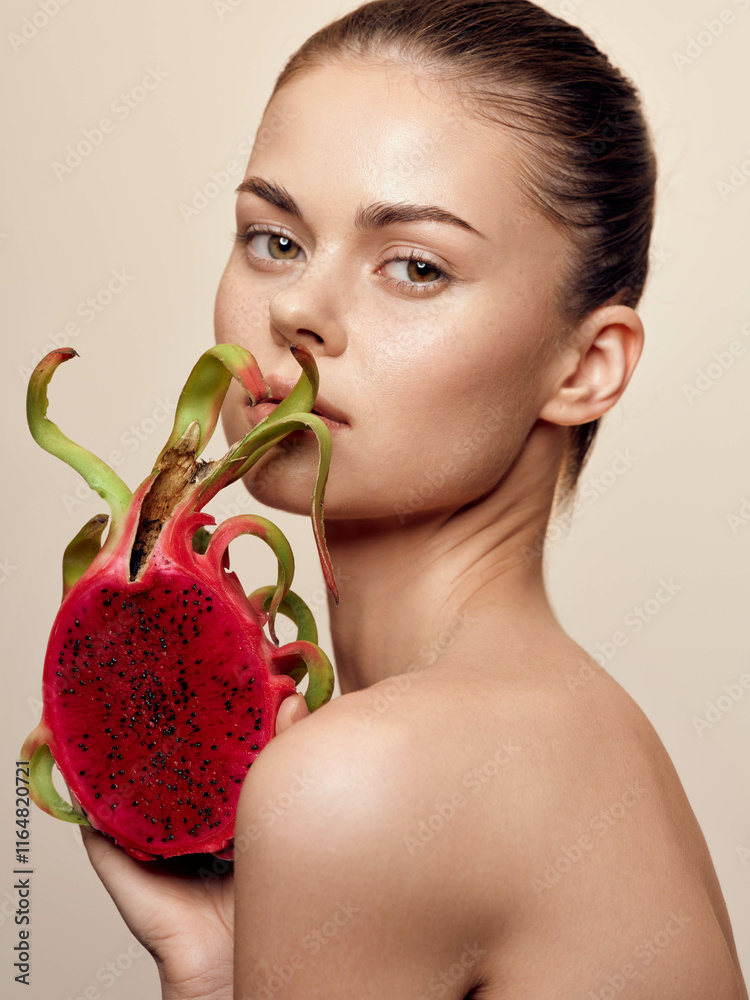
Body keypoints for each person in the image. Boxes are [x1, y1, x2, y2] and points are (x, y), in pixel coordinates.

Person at [81, 1, 749, 997]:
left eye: (416, 266)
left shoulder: (373, 777)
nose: (296, 309)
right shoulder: (583, 735)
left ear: (586, 366)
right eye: (273, 239)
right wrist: (216, 970)